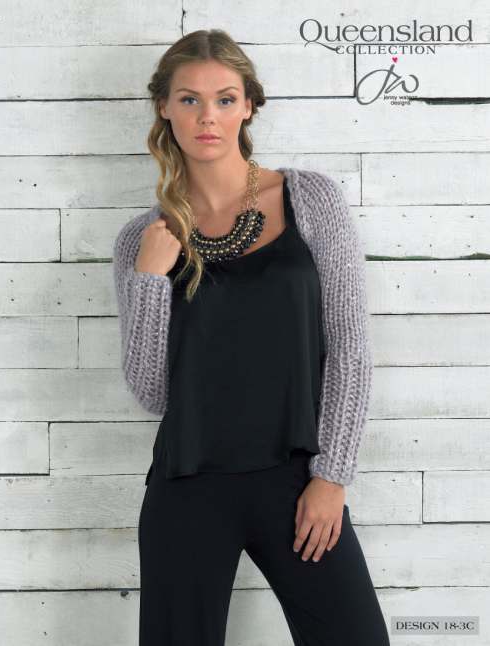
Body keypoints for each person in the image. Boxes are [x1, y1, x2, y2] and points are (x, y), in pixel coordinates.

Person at [113, 28, 390, 646]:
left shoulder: (309, 199)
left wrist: (332, 476)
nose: (207, 116)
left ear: (248, 107)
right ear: (164, 107)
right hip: (187, 485)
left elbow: (349, 347)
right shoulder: (144, 239)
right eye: (189, 99)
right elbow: (153, 393)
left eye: (224, 99)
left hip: (297, 479)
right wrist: (150, 278)